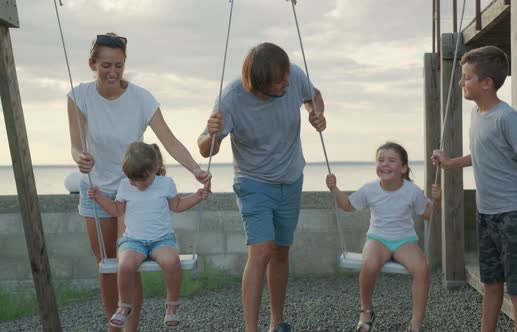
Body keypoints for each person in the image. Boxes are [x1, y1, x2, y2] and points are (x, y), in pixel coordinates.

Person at [67, 33, 211, 332]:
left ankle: (130, 329)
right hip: (97, 190)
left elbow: (169, 140)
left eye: (118, 65)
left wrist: (196, 169)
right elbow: (77, 144)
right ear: (92, 64)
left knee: (130, 264)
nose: (112, 72)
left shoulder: (141, 98)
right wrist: (81, 157)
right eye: (106, 65)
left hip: (134, 190)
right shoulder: (78, 96)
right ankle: (115, 328)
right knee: (109, 266)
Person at [197, 42, 326, 332]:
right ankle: (250, 329)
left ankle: (277, 322)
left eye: (286, 76)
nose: (287, 83)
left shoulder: (292, 74)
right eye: (279, 81)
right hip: (253, 181)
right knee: (261, 250)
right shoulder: (231, 98)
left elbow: (313, 96)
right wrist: (212, 135)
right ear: (257, 84)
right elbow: (206, 149)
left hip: (292, 177)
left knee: (281, 250)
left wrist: (316, 112)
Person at [431, 46, 517, 332]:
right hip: (485, 214)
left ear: (486, 83)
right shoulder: (478, 114)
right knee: (491, 283)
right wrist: (451, 163)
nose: (461, 82)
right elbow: (482, 154)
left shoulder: (506, 118)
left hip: (514, 214)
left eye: (466, 77)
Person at [88, 142, 208, 328]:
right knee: (125, 264)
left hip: (162, 240)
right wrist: (99, 197)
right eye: (131, 179)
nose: (135, 183)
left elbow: (177, 206)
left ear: (155, 169)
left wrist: (197, 196)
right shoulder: (125, 186)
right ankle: (124, 306)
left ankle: (172, 306)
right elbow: (116, 209)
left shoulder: (165, 184)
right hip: (133, 240)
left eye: (141, 179)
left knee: (172, 262)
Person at [326, 142, 440, 332]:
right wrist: (334, 189)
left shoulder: (412, 191)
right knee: (369, 263)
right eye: (380, 160)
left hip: (405, 240)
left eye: (391, 160)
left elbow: (427, 214)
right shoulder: (370, 189)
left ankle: (416, 324)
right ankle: (366, 311)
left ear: (403, 168)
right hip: (378, 238)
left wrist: (438, 200)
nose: (385, 164)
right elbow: (347, 205)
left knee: (422, 269)